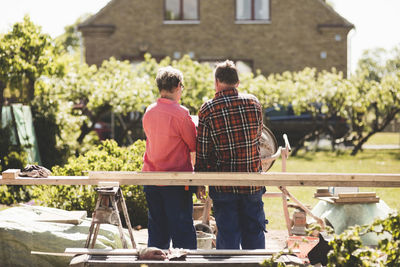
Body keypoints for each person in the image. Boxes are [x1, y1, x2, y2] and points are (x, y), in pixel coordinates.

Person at [195, 60, 266, 249]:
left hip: (223, 183)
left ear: (216, 82)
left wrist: (199, 180)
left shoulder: (208, 109)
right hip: (251, 181)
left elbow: (202, 151)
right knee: (254, 231)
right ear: (238, 82)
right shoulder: (253, 103)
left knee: (227, 233)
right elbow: (258, 137)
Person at [142, 66, 202, 249]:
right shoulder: (181, 114)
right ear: (177, 86)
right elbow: (194, 146)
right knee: (182, 232)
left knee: (157, 231)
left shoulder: (149, 111)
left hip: (151, 178)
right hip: (176, 181)